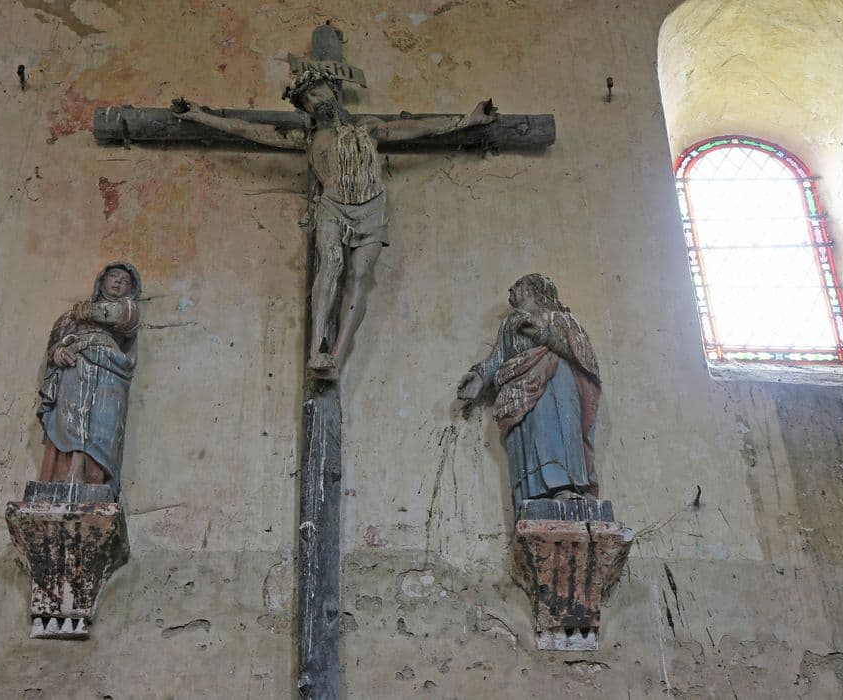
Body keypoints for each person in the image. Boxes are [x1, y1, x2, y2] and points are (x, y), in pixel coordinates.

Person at [174, 69, 495, 377]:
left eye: (317, 92)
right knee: (330, 263)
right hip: (332, 208)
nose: (315, 101)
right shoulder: (309, 137)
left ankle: (336, 358)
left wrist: (469, 119)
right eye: (307, 101)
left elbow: (418, 128)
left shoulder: (369, 128)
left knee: (359, 276)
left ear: (332, 90)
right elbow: (250, 130)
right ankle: (317, 350)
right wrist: (201, 116)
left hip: (371, 209)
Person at [457, 274, 601, 507]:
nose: (511, 289)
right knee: (534, 435)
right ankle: (538, 494)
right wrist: (479, 377)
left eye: (518, 285)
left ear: (533, 290)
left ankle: (569, 486)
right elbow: (498, 357)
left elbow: (583, 356)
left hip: (558, 382)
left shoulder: (562, 318)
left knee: (559, 429)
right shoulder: (511, 323)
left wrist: (544, 335)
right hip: (520, 390)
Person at [37, 263, 141, 497]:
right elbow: (55, 343)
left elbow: (120, 317)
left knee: (104, 424)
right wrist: (58, 353)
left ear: (130, 290)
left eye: (125, 281)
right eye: (114, 276)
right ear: (101, 281)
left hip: (111, 371)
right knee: (71, 419)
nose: (118, 282)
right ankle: (67, 477)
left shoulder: (127, 309)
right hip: (76, 366)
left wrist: (85, 311)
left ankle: (95, 478)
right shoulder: (71, 316)